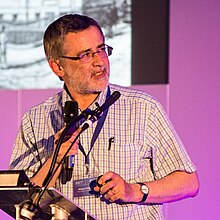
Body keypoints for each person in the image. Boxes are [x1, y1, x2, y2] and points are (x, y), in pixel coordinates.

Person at [9, 14, 199, 219]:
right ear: (57, 67)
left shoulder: (143, 108)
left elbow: (189, 183)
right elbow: (20, 203)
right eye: (85, 55)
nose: (100, 62)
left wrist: (133, 190)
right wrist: (54, 161)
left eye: (101, 49)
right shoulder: (35, 119)